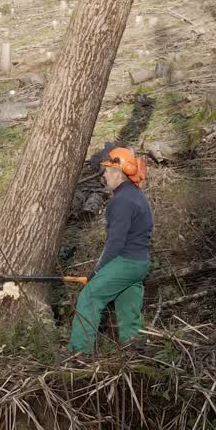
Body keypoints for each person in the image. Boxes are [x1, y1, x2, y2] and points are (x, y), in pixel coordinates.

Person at [68, 146, 154, 354]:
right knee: (128, 305)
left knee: (89, 297)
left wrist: (97, 271)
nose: (104, 174)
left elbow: (115, 243)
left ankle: (79, 353)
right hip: (140, 263)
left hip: (126, 262)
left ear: (118, 172)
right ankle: (133, 349)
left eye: (107, 170)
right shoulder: (136, 195)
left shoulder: (121, 201)